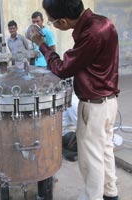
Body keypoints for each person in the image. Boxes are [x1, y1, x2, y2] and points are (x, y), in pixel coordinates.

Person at [30, 1, 120, 200]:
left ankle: (92, 197)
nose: (53, 25)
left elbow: (62, 69)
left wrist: (41, 44)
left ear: (63, 21)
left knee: (90, 158)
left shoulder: (90, 34)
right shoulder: (103, 23)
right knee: (105, 149)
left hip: (94, 105)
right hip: (109, 102)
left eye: (53, 22)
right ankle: (110, 193)